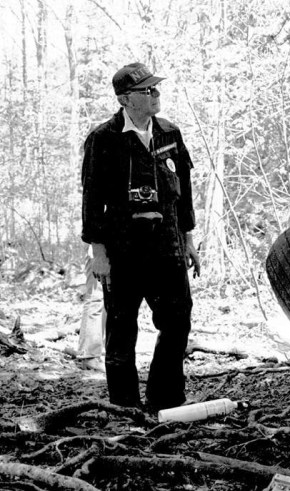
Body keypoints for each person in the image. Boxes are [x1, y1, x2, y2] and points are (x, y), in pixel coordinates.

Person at [81, 62, 200, 411]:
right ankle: (125, 407)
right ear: (124, 99)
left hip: (166, 247)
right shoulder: (103, 139)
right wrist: (98, 253)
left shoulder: (169, 133)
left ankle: (165, 400)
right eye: (146, 91)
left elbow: (185, 192)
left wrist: (188, 240)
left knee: (177, 321)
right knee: (121, 329)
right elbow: (91, 200)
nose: (155, 95)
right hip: (123, 250)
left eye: (156, 89)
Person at [77, 246, 105, 372]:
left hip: (111, 251)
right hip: (98, 251)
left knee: (105, 302)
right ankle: (89, 355)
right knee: (95, 297)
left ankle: (95, 353)